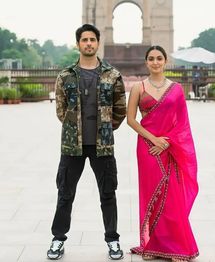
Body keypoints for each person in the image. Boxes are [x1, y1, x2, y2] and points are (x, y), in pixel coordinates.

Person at [47, 24, 126, 260]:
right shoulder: (66, 75)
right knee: (65, 193)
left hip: (102, 145)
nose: (89, 43)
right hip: (73, 145)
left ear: (98, 43)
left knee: (108, 193)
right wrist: (76, 127)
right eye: (84, 40)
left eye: (92, 39)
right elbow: (61, 110)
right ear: (78, 44)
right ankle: (58, 239)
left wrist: (105, 128)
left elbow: (120, 109)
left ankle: (112, 239)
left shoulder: (112, 75)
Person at [127, 45, 199, 261]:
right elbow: (131, 120)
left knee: (172, 196)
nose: (155, 62)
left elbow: (182, 123)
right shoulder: (138, 88)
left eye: (159, 58)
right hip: (147, 148)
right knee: (152, 194)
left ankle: (175, 246)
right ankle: (152, 243)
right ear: (146, 62)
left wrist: (166, 142)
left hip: (170, 147)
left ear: (165, 61)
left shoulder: (176, 89)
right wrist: (154, 139)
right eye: (151, 58)